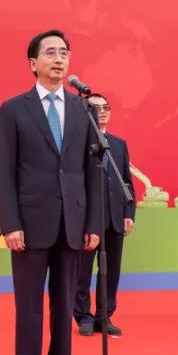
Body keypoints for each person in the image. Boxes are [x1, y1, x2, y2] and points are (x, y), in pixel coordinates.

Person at [0, 30, 101, 355]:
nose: (59, 59)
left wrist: (92, 223)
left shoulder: (82, 109)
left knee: (64, 303)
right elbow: (4, 170)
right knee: (29, 306)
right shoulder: (13, 109)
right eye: (51, 52)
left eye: (64, 53)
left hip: (72, 223)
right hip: (29, 224)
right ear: (33, 63)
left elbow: (91, 172)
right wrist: (10, 223)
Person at [74, 93, 135, 337]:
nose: (102, 111)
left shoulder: (118, 144)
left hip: (115, 217)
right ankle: (83, 315)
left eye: (106, 107)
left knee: (110, 270)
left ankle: (104, 315)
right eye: (95, 108)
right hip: (87, 219)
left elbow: (126, 181)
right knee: (82, 271)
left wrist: (129, 212)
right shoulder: (77, 143)